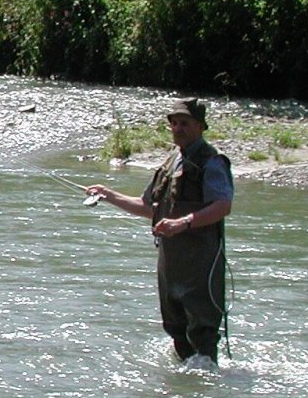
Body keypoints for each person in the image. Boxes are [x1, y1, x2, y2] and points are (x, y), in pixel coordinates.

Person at [87, 99, 233, 363]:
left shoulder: (212, 163)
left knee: (203, 331)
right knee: (176, 328)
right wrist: (107, 195)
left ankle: (206, 384)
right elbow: (146, 207)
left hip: (202, 262)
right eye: (174, 123)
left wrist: (182, 223)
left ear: (200, 127)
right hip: (171, 261)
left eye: (184, 123)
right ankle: (188, 392)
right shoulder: (170, 163)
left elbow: (223, 206)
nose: (177, 128)